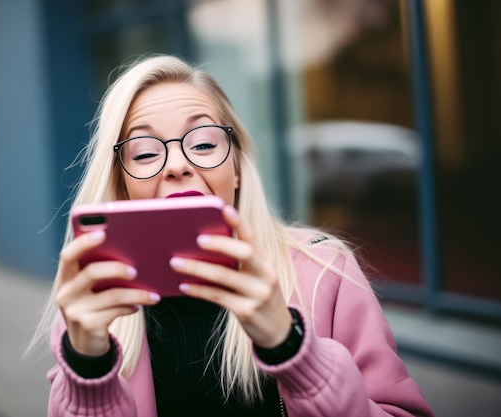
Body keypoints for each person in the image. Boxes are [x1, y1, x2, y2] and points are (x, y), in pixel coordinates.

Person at [28, 55, 435, 417]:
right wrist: (88, 371)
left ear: (237, 167)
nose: (177, 165)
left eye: (203, 143)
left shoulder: (324, 272)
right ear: (121, 184)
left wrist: (292, 349)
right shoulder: (94, 305)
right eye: (146, 152)